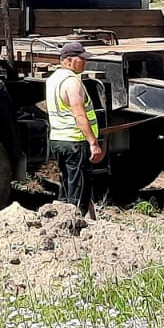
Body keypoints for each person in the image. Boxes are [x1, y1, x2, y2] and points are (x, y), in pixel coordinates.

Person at [45, 41, 104, 218]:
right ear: (69, 60)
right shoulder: (72, 83)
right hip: (75, 142)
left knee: (66, 184)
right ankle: (75, 225)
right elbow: (79, 115)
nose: (85, 63)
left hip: (58, 140)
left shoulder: (52, 79)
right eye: (81, 59)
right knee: (78, 190)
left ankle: (63, 221)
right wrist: (93, 142)